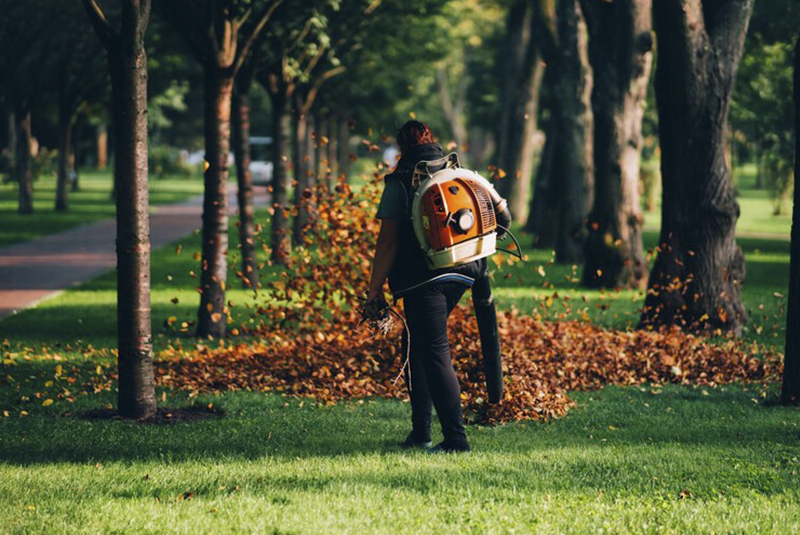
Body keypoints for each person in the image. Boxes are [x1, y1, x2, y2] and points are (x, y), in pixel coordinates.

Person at [366, 120, 486, 453]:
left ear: (402, 148)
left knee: (434, 351)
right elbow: (498, 217)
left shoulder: (400, 181)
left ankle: (456, 440)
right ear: (431, 140)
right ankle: (420, 433)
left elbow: (387, 242)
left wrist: (374, 290)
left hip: (425, 279)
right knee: (415, 341)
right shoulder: (457, 172)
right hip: (463, 273)